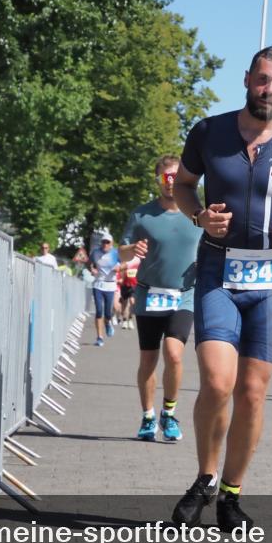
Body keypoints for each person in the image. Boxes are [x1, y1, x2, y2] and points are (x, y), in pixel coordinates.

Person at [171, 45, 272, 531]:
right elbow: (182, 185)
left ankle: (231, 494)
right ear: (247, 79)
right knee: (218, 383)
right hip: (218, 271)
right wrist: (199, 215)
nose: (269, 91)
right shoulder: (209, 131)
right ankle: (204, 477)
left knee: (252, 392)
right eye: (263, 80)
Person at [120, 155, 202, 443]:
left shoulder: (197, 214)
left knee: (175, 353)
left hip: (184, 295)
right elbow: (122, 253)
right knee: (148, 359)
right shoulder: (142, 215)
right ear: (158, 180)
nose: (171, 183)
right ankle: (147, 417)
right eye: (166, 177)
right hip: (149, 294)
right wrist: (133, 248)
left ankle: (169, 413)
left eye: (176, 177)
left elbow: (214, 246)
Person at [89, 232, 119, 346]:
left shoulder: (116, 253)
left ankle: (107, 323)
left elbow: (125, 264)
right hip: (98, 284)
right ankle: (99, 337)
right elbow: (89, 263)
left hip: (110, 284)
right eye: (103, 242)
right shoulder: (96, 252)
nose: (105, 244)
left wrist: (119, 267)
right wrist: (92, 269)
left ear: (111, 244)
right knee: (99, 311)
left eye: (107, 242)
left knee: (107, 313)